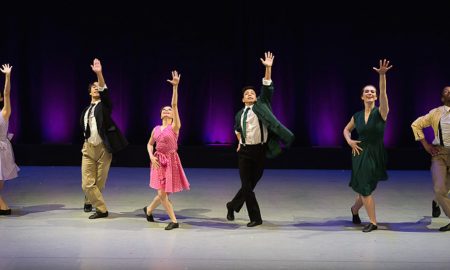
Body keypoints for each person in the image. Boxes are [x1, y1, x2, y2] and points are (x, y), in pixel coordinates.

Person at [226, 51, 295, 227]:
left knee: (252, 183)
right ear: (242, 99)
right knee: (246, 186)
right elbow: (236, 129)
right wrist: (239, 142)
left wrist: (268, 68)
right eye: (247, 94)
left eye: (252, 93)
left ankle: (232, 205)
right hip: (245, 152)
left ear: (256, 97)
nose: (250, 94)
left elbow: (267, 87)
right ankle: (255, 218)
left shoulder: (262, 105)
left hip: (260, 150)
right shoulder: (239, 114)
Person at [343, 59, 392, 232]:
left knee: (366, 187)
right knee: (365, 188)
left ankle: (354, 209)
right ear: (362, 96)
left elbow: (384, 93)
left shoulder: (382, 112)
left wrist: (382, 76)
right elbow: (346, 130)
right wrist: (349, 141)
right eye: (366, 91)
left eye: (373, 92)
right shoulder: (356, 116)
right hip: (360, 152)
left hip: (376, 153)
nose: (370, 93)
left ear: (376, 96)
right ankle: (373, 222)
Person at [80, 58, 128, 219]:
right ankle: (102, 209)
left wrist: (99, 73)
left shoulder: (104, 106)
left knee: (99, 183)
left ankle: (90, 200)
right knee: (87, 183)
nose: (96, 89)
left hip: (103, 148)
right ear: (89, 92)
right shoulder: (86, 110)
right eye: (93, 87)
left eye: (97, 87)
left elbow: (104, 90)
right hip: (88, 148)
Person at [143, 70, 190, 230]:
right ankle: (174, 221)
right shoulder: (155, 129)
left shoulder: (175, 127)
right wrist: (151, 156)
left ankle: (149, 210)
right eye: (164, 109)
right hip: (157, 161)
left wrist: (175, 88)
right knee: (162, 193)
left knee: (164, 194)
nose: (166, 110)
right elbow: (150, 144)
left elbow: (175, 104)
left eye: (169, 110)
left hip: (171, 161)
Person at [411, 86, 450, 231]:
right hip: (439, 154)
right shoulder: (436, 112)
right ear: (442, 98)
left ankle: (436, 202)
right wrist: (426, 145)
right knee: (440, 188)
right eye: (446, 91)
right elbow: (416, 124)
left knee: (445, 189)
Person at [0, 64, 19, 216]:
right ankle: (2, 206)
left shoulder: (4, 113)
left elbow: (7, 93)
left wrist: (7, 76)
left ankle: (3, 207)